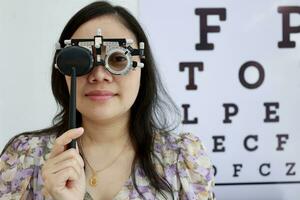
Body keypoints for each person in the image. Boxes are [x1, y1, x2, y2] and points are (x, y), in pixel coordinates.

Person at [0, 1, 215, 200]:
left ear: (142, 69)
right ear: (63, 70)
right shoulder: (24, 157)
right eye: (81, 58)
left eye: (118, 59)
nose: (99, 75)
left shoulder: (182, 159)